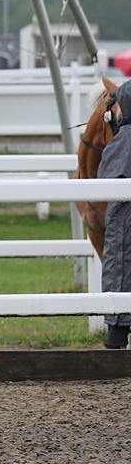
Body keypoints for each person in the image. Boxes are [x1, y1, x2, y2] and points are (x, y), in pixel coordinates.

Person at [100, 81, 131, 349]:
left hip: (123, 220)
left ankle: (117, 331)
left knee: (119, 265)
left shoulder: (123, 139)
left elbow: (104, 178)